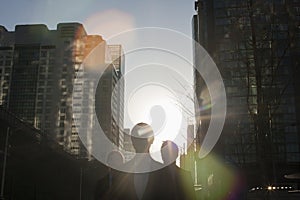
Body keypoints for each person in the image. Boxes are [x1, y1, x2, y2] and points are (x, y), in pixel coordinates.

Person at [122, 122, 163, 200]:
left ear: (152, 140)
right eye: (136, 138)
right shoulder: (121, 171)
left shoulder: (163, 171)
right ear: (132, 141)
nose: (140, 141)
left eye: (143, 138)